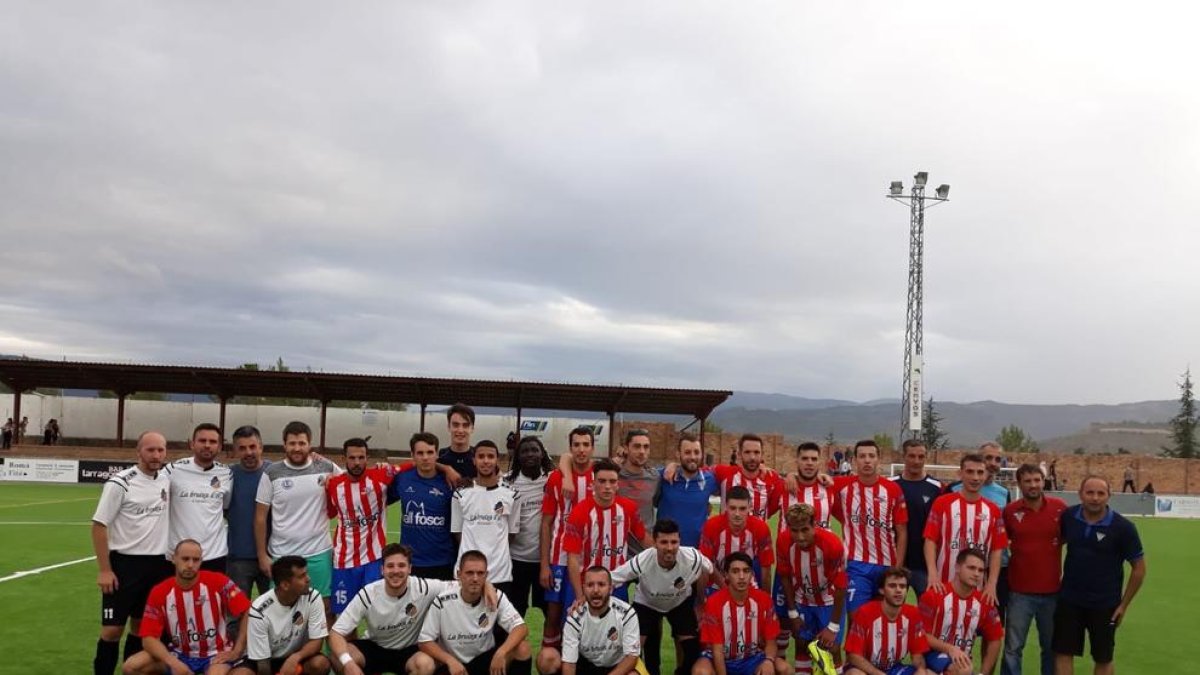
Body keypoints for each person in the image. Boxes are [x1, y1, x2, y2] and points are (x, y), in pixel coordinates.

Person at [91, 430, 172, 675]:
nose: (156, 455)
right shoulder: (120, 483)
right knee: (112, 630)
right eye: (150, 449)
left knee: (140, 629)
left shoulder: (168, 479)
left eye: (160, 449)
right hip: (124, 566)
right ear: (138, 452)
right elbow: (98, 526)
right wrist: (105, 570)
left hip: (159, 566)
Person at [329, 543, 479, 675]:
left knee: (426, 664)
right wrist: (348, 663)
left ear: (410, 569)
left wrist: (488, 587)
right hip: (376, 647)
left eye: (401, 565)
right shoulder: (369, 593)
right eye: (390, 566)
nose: (396, 571)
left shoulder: (423, 588)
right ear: (382, 570)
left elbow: (461, 585)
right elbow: (336, 633)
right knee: (338, 657)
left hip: (408, 651)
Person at [1052, 476, 1146, 675]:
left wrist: (1123, 605)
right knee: (1063, 653)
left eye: (1101, 493)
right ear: (1080, 494)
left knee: (1103, 658)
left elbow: (1139, 568)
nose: (1095, 498)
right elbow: (1055, 544)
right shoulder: (1069, 517)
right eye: (1090, 492)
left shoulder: (1123, 527)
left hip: (1105, 604)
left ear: (1109, 496)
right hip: (1069, 600)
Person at [121, 539, 250, 675]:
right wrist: (173, 662)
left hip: (215, 654)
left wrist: (238, 650)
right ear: (173, 559)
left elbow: (247, 609)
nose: (190, 565)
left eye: (196, 560)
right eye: (185, 559)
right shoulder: (160, 591)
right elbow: (148, 639)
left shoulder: (218, 581)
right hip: (180, 654)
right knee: (131, 666)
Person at [254, 421, 342, 610]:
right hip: (282, 555)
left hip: (319, 553)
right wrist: (262, 555)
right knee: (281, 610)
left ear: (309, 444)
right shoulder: (272, 473)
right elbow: (260, 517)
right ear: (284, 444)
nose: (297, 448)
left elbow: (351, 482)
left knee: (323, 608)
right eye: (292, 443)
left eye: (302, 443)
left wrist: (334, 482)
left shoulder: (326, 466)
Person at [611, 519, 711, 675]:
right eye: (664, 542)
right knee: (633, 650)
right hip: (647, 604)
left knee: (692, 650)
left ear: (679, 541)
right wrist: (583, 597)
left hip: (679, 602)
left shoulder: (692, 556)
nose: (669, 547)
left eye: (674, 542)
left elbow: (711, 570)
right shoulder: (642, 560)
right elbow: (611, 578)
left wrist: (703, 602)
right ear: (655, 542)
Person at [413, 550, 533, 675]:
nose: (475, 578)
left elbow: (521, 627)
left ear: (486, 576)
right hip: (454, 666)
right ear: (459, 574)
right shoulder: (442, 601)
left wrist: (501, 652)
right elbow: (425, 641)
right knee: (424, 661)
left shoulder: (495, 597)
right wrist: (450, 661)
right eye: (470, 573)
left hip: (484, 661)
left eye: (480, 573)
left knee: (522, 648)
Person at [830, 440, 908, 621]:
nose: (867, 460)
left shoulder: (892, 490)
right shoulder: (841, 486)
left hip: (887, 564)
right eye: (862, 456)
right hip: (856, 565)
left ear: (878, 460)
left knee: (883, 621)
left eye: (871, 456)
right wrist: (791, 477)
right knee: (857, 620)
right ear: (855, 460)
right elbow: (813, 482)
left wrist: (898, 567)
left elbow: (902, 531)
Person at [1002, 464, 1067, 675]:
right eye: (1028, 481)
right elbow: (1003, 543)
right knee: (1013, 647)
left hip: (1052, 592)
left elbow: (1066, 539)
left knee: (1049, 647)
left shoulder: (1059, 508)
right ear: (1019, 484)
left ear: (1043, 481)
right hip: (1019, 592)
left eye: (1037, 480)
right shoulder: (1010, 511)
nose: (1033, 485)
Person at [540, 426, 598, 652]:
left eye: (586, 444)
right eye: (576, 445)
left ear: (592, 447)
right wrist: (545, 565)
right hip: (559, 559)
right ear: (570, 448)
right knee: (553, 616)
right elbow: (545, 523)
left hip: (590, 560)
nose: (581, 450)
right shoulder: (556, 478)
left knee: (587, 616)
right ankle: (550, 661)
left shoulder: (600, 476)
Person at [563, 459, 651, 604]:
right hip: (587, 584)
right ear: (593, 484)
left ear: (618, 484)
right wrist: (579, 595)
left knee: (617, 626)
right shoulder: (579, 512)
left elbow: (643, 538)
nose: (607, 486)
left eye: (612, 481)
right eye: (602, 481)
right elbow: (572, 557)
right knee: (580, 626)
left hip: (616, 584)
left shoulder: (628, 508)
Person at [923, 454, 1007, 603]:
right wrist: (933, 573)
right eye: (970, 472)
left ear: (986, 474)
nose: (975, 477)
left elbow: (997, 550)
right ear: (960, 473)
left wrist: (992, 584)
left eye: (980, 472)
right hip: (943, 585)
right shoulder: (942, 503)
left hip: (977, 589)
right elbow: (930, 541)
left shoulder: (993, 510)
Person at [774, 504, 847, 675]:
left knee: (833, 648)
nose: (800, 536)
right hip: (802, 599)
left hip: (828, 601)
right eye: (794, 530)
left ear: (815, 525)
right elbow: (784, 577)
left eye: (805, 529)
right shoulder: (783, 541)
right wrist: (792, 612)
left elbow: (841, 586)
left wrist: (833, 627)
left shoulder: (831, 544)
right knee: (801, 643)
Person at [326, 437, 395, 615]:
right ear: (344, 459)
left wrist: (446, 468)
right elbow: (330, 513)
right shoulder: (333, 485)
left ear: (367, 458)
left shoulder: (381, 476)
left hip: (373, 560)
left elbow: (413, 465)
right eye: (352, 458)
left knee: (377, 615)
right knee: (344, 618)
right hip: (343, 562)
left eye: (361, 457)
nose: (357, 462)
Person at [232, 556, 331, 675]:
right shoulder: (259, 611)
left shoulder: (313, 597)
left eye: (306, 574)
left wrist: (295, 658)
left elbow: (317, 641)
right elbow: (263, 664)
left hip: (296, 655)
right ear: (285, 585)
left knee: (320, 663)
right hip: (263, 660)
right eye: (302, 576)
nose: (308, 579)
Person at [695, 551, 789, 675]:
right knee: (700, 671)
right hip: (719, 657)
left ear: (752, 575)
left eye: (746, 571)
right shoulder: (714, 602)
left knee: (784, 668)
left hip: (752, 658)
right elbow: (717, 649)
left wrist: (768, 660)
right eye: (735, 571)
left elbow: (771, 641)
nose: (741, 576)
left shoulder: (764, 600)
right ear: (726, 575)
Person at [918, 549, 1003, 675]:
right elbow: (922, 634)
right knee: (962, 670)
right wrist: (950, 649)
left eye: (981, 570)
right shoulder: (933, 596)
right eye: (971, 568)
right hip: (932, 654)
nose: (976, 574)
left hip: (961, 661)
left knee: (963, 669)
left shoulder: (984, 603)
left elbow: (995, 639)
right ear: (957, 568)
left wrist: (983, 674)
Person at [452, 440, 520, 589]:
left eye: (490, 456)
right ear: (474, 461)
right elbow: (457, 532)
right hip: (467, 571)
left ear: (497, 460)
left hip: (499, 572)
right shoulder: (460, 494)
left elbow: (512, 533)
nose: (486, 461)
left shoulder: (512, 495)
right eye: (481, 456)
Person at [389, 432, 457, 580]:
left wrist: (446, 469)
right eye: (420, 453)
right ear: (412, 455)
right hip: (411, 562)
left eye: (430, 452)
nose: (425, 457)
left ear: (437, 454)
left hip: (442, 562)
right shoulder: (402, 479)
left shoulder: (449, 482)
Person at [165, 423, 233, 572]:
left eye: (213, 442)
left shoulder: (227, 474)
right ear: (192, 444)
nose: (207, 445)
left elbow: (225, 507)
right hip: (178, 556)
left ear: (220, 446)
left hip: (214, 555)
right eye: (202, 441)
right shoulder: (172, 470)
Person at [843, 567, 932, 675]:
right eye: (892, 586)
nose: (898, 590)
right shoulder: (865, 612)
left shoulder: (912, 614)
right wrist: (877, 673)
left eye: (902, 586)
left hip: (895, 669)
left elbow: (917, 655)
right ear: (882, 590)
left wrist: (921, 670)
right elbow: (853, 655)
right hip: (865, 669)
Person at [557, 567, 643, 675]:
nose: (595, 590)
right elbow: (569, 664)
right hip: (587, 666)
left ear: (611, 589)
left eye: (601, 585)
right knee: (547, 659)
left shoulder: (627, 614)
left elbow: (631, 657)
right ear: (583, 589)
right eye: (590, 585)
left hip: (617, 666)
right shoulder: (574, 619)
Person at [505, 435, 553, 619]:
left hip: (545, 561)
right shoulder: (508, 482)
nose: (530, 454)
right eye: (525, 451)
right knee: (516, 612)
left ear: (542, 454)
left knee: (549, 613)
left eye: (535, 450)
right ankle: (516, 648)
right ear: (518, 456)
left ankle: (548, 648)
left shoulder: (551, 479)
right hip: (516, 560)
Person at [888, 439, 943, 598]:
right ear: (903, 456)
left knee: (928, 610)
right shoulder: (890, 485)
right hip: (893, 561)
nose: (916, 461)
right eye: (911, 456)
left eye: (921, 456)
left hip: (924, 564)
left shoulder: (937, 488)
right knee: (891, 612)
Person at [699, 485, 774, 590]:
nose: (737, 514)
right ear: (726, 507)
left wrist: (766, 601)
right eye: (733, 508)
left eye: (742, 509)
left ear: (750, 507)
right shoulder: (712, 526)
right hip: (716, 586)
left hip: (748, 586)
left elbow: (766, 569)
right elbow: (705, 565)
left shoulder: (761, 528)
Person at [226, 425, 271, 597]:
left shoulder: (275, 473)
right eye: (242, 448)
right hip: (238, 558)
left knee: (276, 614)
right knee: (236, 614)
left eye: (252, 447)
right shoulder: (227, 476)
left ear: (261, 447)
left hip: (272, 555)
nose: (248, 452)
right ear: (235, 451)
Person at [654, 432, 719, 547]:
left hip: (696, 552)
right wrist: (621, 458)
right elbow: (639, 472)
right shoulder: (664, 475)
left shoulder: (710, 479)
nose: (693, 457)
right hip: (665, 549)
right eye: (687, 452)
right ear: (678, 454)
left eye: (696, 452)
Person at [617, 428, 659, 556]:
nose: (642, 451)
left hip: (645, 550)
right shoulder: (613, 475)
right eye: (637, 446)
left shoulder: (655, 477)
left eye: (646, 447)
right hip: (617, 550)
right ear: (626, 448)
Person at [438, 402, 478, 478]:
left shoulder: (479, 458)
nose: (460, 430)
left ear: (472, 428)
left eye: (465, 425)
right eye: (456, 425)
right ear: (449, 427)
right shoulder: (441, 459)